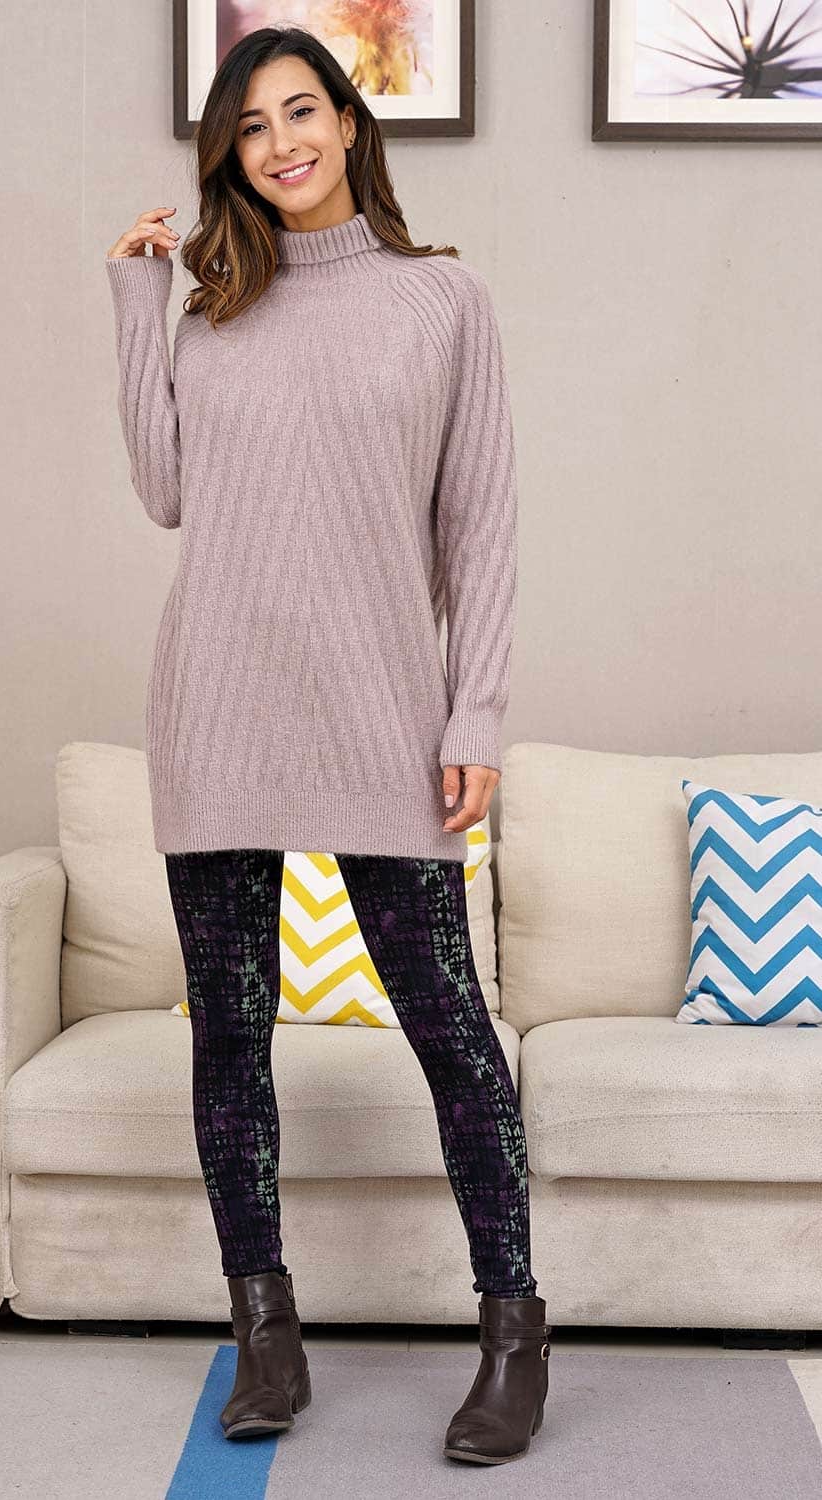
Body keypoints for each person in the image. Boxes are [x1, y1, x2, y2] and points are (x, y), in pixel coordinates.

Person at [105, 23, 550, 1467]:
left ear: (351, 123)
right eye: (251, 127)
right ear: (229, 156)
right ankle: (266, 1335)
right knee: (230, 1039)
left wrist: (473, 711)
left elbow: (480, 525)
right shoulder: (214, 311)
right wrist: (138, 299)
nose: (282, 143)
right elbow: (166, 491)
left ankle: (514, 1335)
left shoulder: (442, 302)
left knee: (450, 1028)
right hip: (215, 708)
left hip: (379, 717)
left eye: (303, 112)